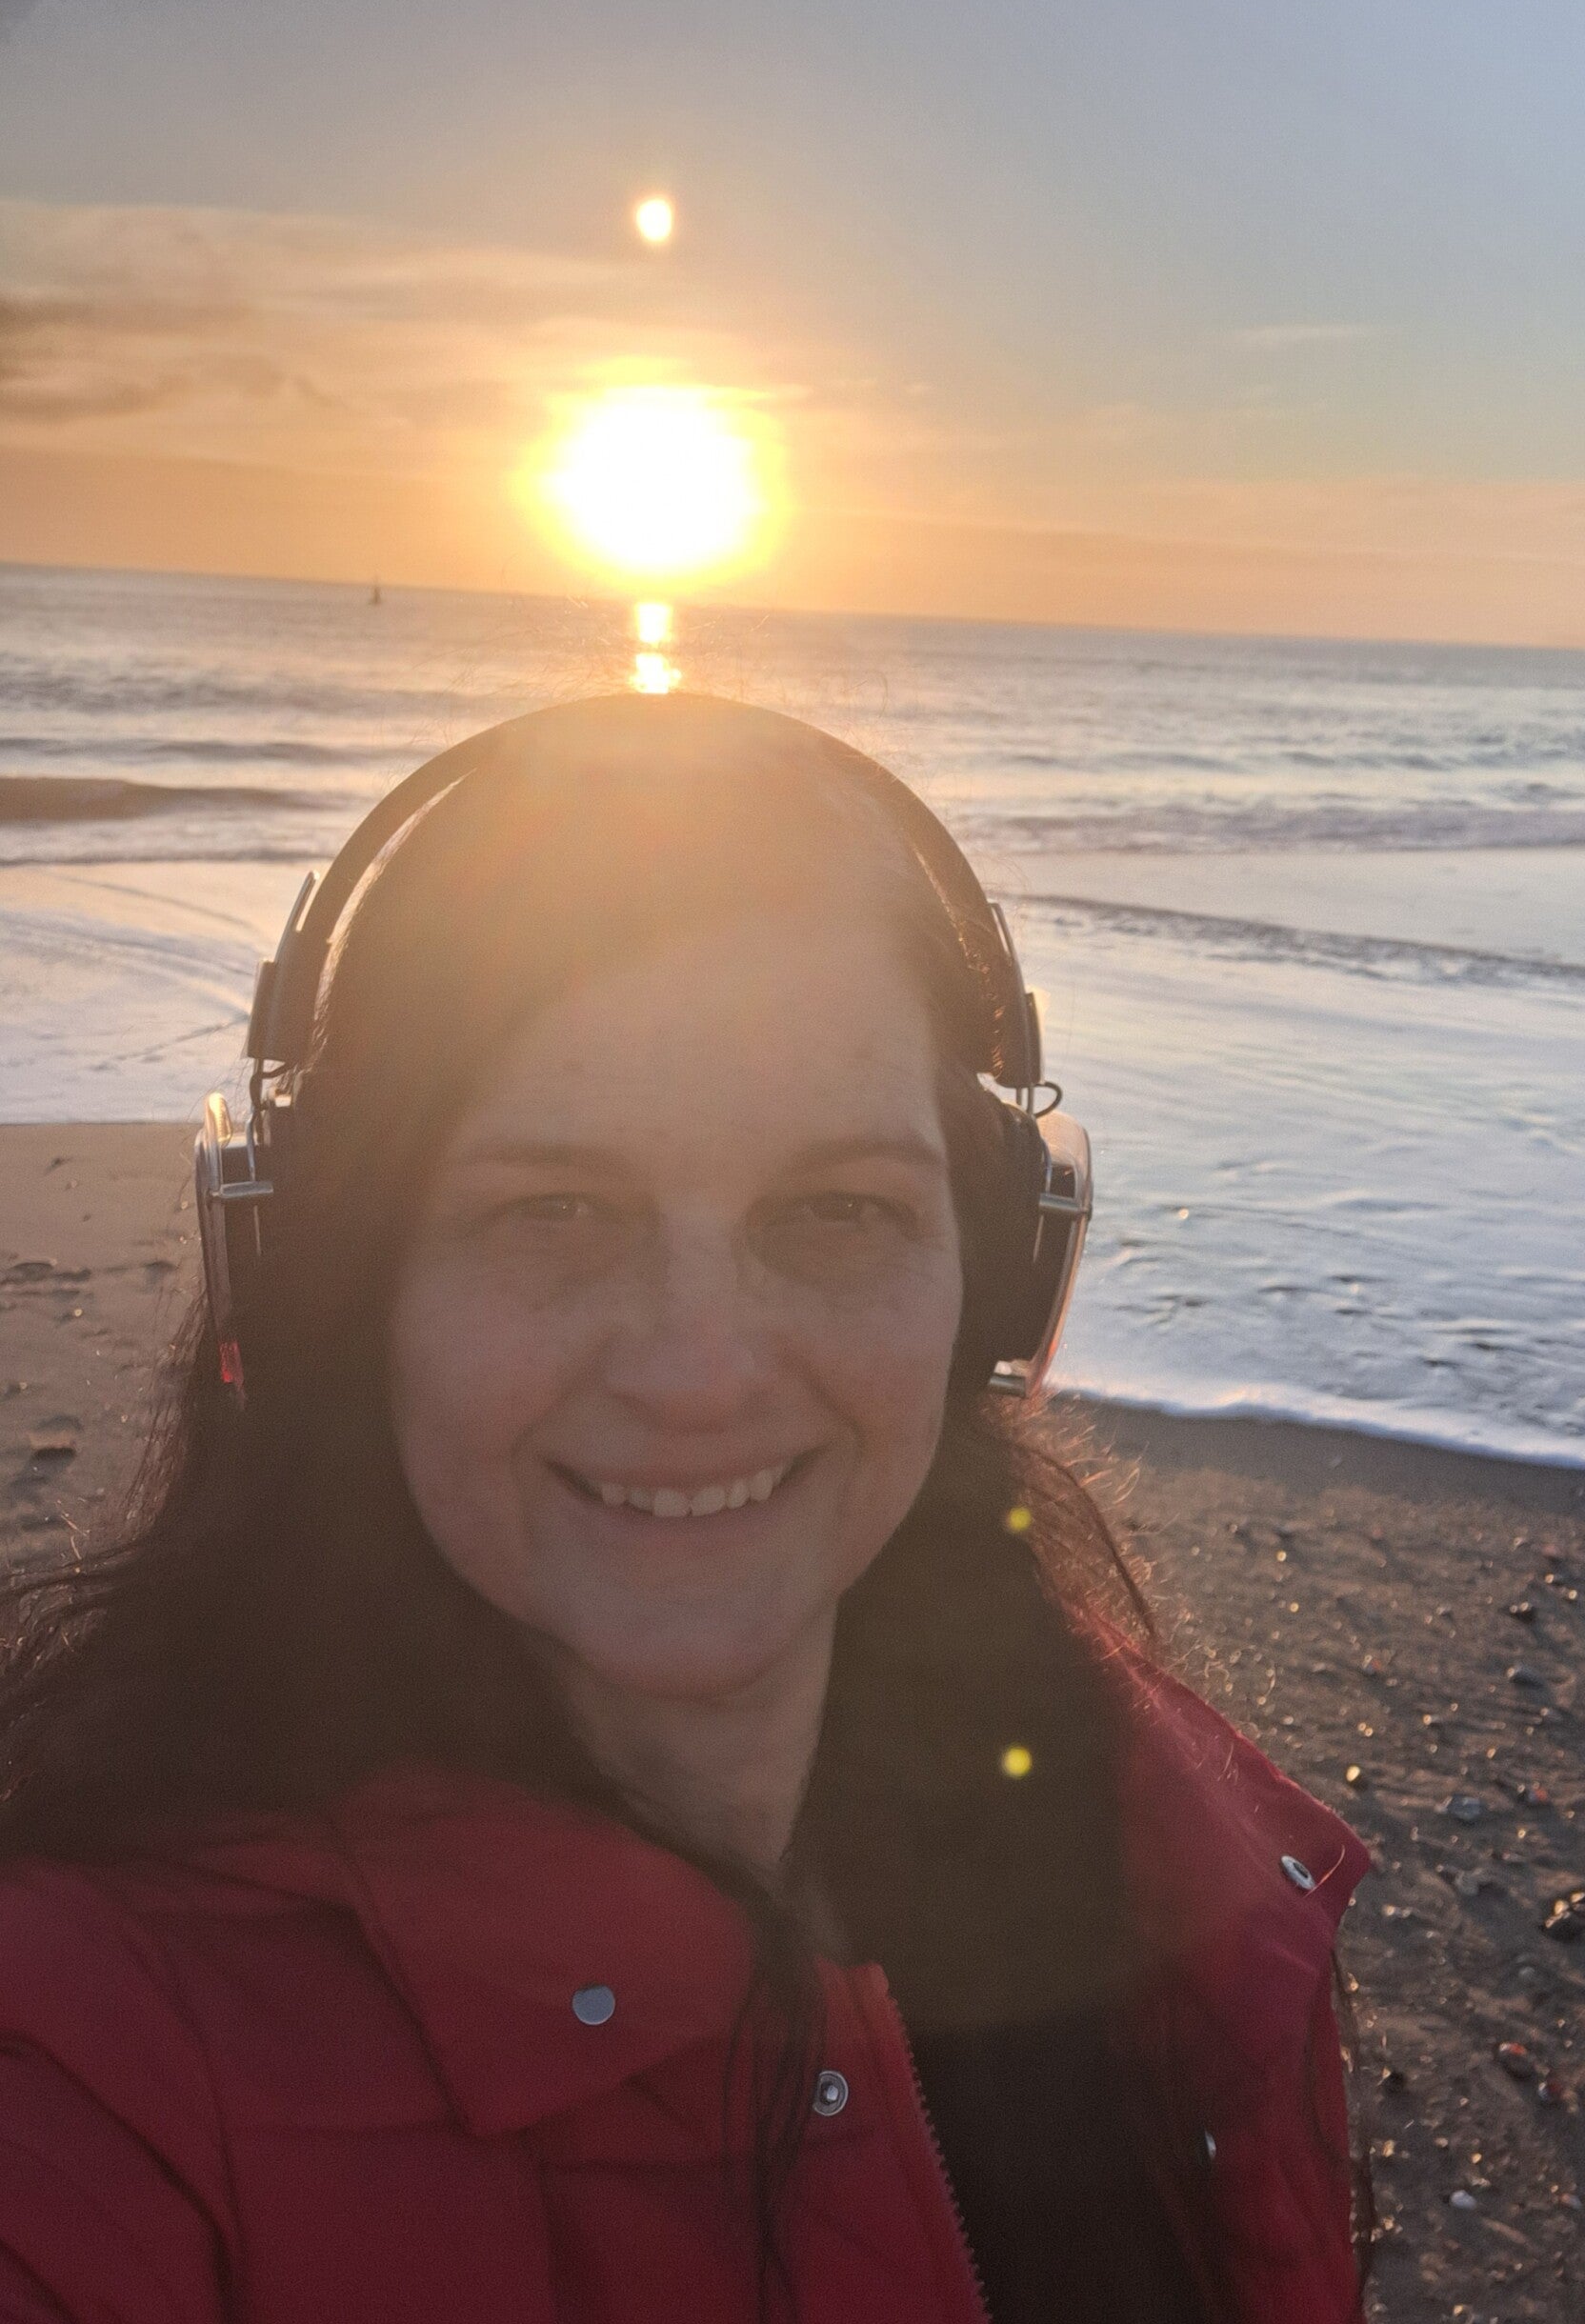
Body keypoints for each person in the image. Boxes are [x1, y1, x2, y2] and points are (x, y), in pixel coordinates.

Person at [0, 694, 1371, 2324]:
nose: (701, 1371)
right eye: (554, 1210)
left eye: (837, 1210)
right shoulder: (90, 2054)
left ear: (1001, 1274)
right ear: (326, 1291)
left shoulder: (1156, 1850)